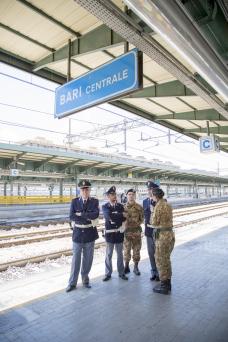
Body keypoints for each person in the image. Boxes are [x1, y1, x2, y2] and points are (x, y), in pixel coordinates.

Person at [66, 180, 99, 292]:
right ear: (80, 190)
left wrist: (81, 215)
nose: (85, 191)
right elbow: (71, 216)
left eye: (87, 189)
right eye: (83, 189)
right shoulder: (74, 202)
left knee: (88, 259)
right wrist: (87, 217)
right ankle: (72, 283)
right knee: (76, 259)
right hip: (78, 234)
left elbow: (96, 214)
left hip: (90, 233)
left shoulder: (94, 201)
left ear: (89, 190)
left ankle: (85, 279)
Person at [151, 187, 175, 295]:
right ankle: (168, 283)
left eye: (152, 195)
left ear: (155, 196)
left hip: (162, 237)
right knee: (166, 259)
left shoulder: (158, 206)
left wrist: (152, 211)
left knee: (160, 260)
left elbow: (154, 222)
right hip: (170, 235)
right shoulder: (168, 204)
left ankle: (164, 285)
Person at [102, 186, 128, 282]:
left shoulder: (120, 206)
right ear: (108, 196)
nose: (114, 196)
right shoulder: (105, 207)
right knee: (108, 254)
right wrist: (120, 215)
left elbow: (125, 218)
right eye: (112, 195)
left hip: (119, 233)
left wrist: (116, 216)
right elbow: (108, 216)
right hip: (109, 234)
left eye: (115, 194)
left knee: (120, 255)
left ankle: (121, 273)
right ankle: (108, 274)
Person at [124, 189, 144, 276]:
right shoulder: (123, 207)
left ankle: (136, 267)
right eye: (129, 194)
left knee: (136, 250)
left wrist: (135, 224)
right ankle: (126, 267)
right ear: (126, 196)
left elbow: (142, 219)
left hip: (136, 232)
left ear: (135, 196)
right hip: (127, 232)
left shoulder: (139, 207)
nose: (131, 196)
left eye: (132, 194)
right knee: (126, 250)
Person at [143, 181, 160, 281]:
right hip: (148, 231)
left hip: (157, 231)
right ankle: (153, 272)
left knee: (158, 253)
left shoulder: (160, 201)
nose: (149, 191)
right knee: (150, 253)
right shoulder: (145, 201)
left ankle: (159, 273)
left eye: (151, 189)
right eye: (148, 189)